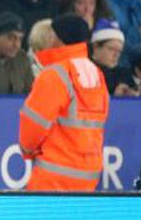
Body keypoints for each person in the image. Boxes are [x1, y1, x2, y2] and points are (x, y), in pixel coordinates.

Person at [19, 14, 109, 192]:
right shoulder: (96, 73)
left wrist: (27, 150)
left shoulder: (54, 75)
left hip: (53, 175)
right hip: (88, 177)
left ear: (57, 37)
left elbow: (33, 125)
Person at [0, 12, 34, 94]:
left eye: (20, 39)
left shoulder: (22, 58)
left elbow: (32, 92)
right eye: (11, 38)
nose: (16, 45)